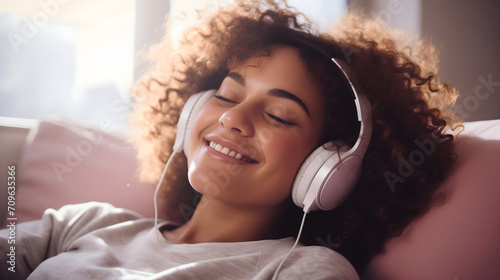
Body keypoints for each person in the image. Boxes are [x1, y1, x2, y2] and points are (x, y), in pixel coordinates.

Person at [1, 0, 459, 279]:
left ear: (330, 167)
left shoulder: (303, 271)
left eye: (279, 115)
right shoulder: (83, 225)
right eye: (226, 95)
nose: (234, 119)